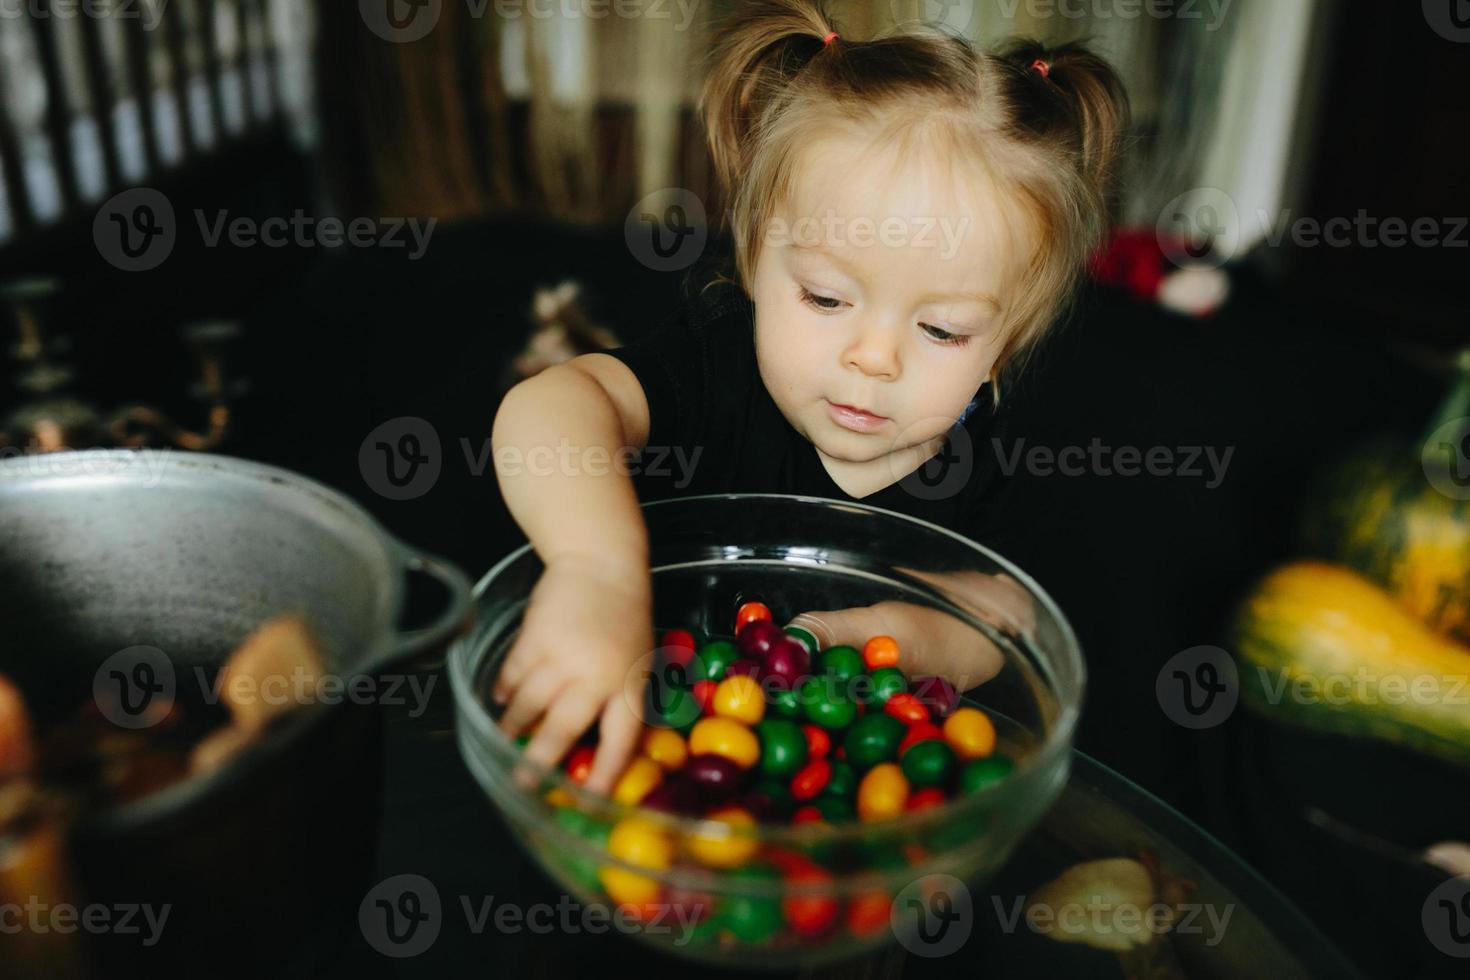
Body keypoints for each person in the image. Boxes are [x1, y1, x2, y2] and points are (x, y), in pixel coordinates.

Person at [489, 0, 1129, 794]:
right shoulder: (713, 365)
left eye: (942, 330)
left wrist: (888, 637)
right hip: (637, 716)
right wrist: (596, 571)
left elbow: (1006, 615)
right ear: (755, 259)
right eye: (826, 299)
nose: (872, 358)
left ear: (1010, 343)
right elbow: (554, 406)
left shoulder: (994, 440)